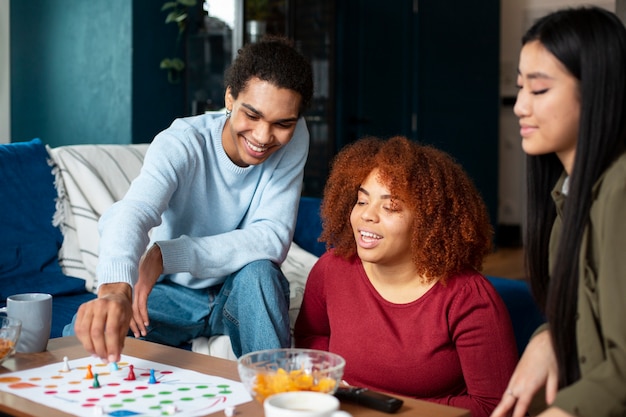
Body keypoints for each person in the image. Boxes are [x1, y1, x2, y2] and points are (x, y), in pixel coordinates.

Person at [65, 35, 314, 363]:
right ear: (229, 98)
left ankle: (274, 398)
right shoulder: (182, 142)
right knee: (80, 337)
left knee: (259, 273)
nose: (264, 136)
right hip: (172, 297)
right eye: (251, 115)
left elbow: (272, 238)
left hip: (237, 294)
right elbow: (135, 210)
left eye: (282, 124)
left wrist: (168, 255)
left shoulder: (294, 140)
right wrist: (114, 289)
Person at [294, 136, 518, 417]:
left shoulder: (469, 298)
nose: (367, 215)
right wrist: (330, 382)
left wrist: (387, 408)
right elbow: (311, 335)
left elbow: (495, 407)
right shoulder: (331, 269)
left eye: (390, 207)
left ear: (429, 222)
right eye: (362, 200)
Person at [490, 6, 626, 417]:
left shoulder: (619, 190)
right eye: (520, 89)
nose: (519, 107)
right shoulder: (566, 194)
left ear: (599, 89)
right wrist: (548, 335)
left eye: (540, 90)